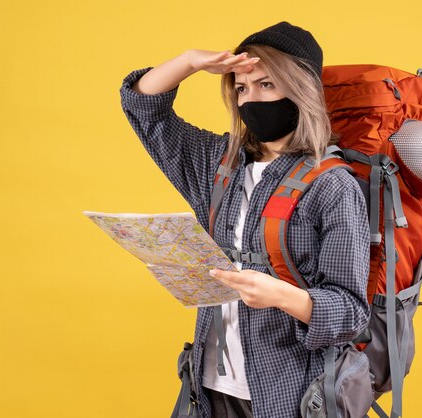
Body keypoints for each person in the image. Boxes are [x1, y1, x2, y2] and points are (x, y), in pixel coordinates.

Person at [119, 21, 370, 418]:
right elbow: (143, 107)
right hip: (210, 386)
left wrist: (281, 295)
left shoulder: (333, 186)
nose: (250, 98)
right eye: (241, 88)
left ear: (301, 89)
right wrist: (189, 61)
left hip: (289, 392)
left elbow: (351, 311)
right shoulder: (219, 164)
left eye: (266, 84)